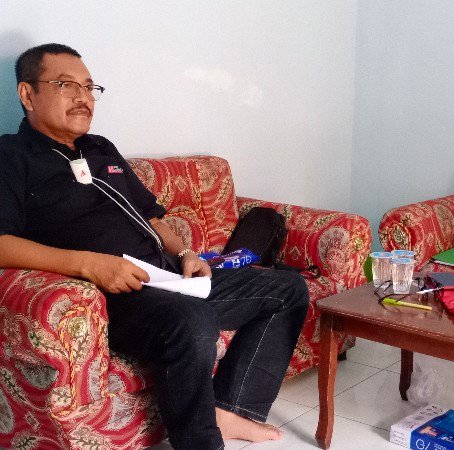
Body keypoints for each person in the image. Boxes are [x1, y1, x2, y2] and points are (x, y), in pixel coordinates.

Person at [0, 43, 309, 450]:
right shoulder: (10, 156)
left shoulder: (100, 148)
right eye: (66, 85)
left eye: (90, 87)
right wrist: (90, 265)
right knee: (193, 320)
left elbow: (152, 217)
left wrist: (185, 254)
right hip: (110, 296)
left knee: (287, 289)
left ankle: (229, 410)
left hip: (167, 277)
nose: (83, 98)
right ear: (27, 94)